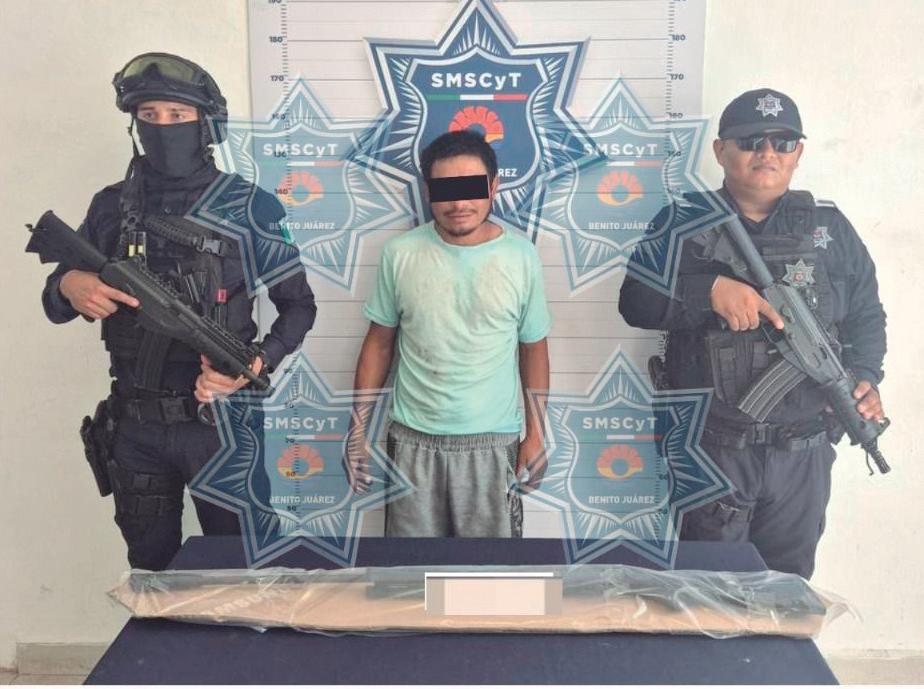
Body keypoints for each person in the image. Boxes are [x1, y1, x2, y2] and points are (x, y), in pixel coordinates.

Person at [41, 53, 317, 570]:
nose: (162, 126)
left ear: (205, 125)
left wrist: (256, 363)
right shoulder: (110, 206)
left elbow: (299, 306)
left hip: (222, 425)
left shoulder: (249, 206)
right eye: (149, 115)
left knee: (245, 573)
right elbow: (54, 302)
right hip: (135, 426)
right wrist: (69, 285)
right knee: (151, 573)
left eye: (177, 115)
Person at [618, 88, 887, 578]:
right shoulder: (681, 222)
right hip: (712, 451)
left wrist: (867, 376)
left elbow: (867, 314)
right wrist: (708, 292)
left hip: (802, 455)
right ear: (721, 150)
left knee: (787, 591)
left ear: (798, 153)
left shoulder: (830, 229)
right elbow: (634, 302)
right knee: (708, 591)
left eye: (782, 143)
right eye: (750, 141)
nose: (767, 153)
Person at [348, 130, 551, 537]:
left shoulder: (521, 256)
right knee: (410, 571)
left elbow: (534, 349)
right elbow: (379, 344)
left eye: (471, 188)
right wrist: (357, 429)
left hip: (494, 445)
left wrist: (537, 435)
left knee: (490, 571)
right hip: (412, 443)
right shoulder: (400, 254)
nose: (459, 204)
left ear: (494, 186)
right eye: (447, 190)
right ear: (428, 192)